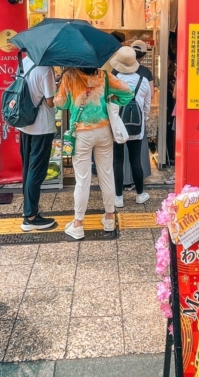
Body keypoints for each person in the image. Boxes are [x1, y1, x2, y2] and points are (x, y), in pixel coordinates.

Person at [54, 66, 133, 240]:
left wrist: (62, 85)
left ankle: (78, 224)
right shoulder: (104, 76)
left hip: (81, 133)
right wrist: (111, 99)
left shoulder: (70, 75)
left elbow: (60, 103)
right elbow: (128, 92)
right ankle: (110, 218)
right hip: (104, 130)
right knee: (106, 174)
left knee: (82, 180)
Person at [19, 48, 58, 231]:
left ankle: (28, 209)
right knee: (37, 171)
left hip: (25, 124)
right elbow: (50, 101)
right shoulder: (46, 69)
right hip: (41, 126)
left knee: (28, 168)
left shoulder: (25, 62)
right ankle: (31, 217)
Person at [110, 47, 152, 208]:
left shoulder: (113, 80)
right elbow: (147, 105)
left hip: (118, 126)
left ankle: (119, 197)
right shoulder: (143, 81)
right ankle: (140, 194)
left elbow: (108, 102)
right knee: (136, 160)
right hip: (137, 125)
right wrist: (144, 118)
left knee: (118, 160)